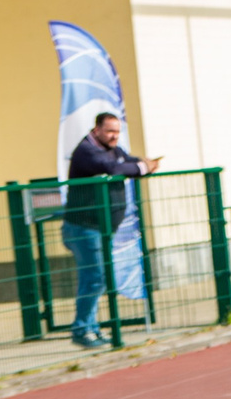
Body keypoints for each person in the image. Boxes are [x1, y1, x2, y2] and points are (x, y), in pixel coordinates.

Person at [62, 112, 161, 348]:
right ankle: (81, 330)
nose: (114, 136)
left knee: (98, 278)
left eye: (117, 131)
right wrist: (140, 167)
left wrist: (141, 165)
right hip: (84, 227)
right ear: (97, 130)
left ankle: (91, 329)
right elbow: (113, 168)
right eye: (109, 131)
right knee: (95, 277)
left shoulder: (113, 149)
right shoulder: (87, 150)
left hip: (103, 227)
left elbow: (125, 162)